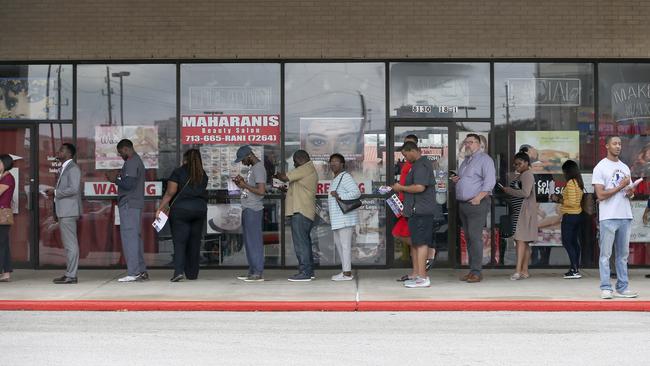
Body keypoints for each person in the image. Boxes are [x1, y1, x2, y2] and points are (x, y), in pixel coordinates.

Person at [592, 135, 638, 299]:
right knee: (605, 254)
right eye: (614, 143)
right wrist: (620, 186)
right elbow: (600, 194)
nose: (618, 146)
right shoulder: (600, 167)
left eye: (620, 144)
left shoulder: (625, 167)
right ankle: (606, 288)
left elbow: (627, 192)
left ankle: (623, 287)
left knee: (623, 255)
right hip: (608, 216)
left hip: (625, 215)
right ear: (606, 146)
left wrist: (631, 192)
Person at [391, 141, 439, 288]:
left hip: (422, 210)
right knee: (417, 242)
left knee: (422, 243)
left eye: (406, 155)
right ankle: (418, 275)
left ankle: (423, 278)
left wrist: (401, 187)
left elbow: (419, 187)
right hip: (414, 210)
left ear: (412, 150)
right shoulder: (416, 165)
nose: (405, 158)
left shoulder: (421, 165)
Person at [156, 149, 208, 282]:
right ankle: (192, 273)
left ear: (185, 159)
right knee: (195, 242)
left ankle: (179, 272)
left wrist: (161, 207)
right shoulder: (203, 174)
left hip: (181, 210)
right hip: (199, 210)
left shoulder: (178, 172)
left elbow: (170, 192)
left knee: (180, 242)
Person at [452, 133, 496, 283]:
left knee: (475, 238)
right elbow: (469, 181)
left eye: (471, 142)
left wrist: (478, 198)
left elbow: (490, 182)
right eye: (466, 142)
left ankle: (476, 272)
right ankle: (472, 270)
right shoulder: (465, 161)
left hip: (476, 204)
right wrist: (457, 179)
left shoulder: (485, 160)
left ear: (479, 144)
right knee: (469, 238)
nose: (468, 145)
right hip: (464, 204)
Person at [106, 139, 148, 283]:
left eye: (120, 152)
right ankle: (141, 271)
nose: (120, 155)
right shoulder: (136, 161)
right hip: (134, 204)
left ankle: (134, 272)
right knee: (135, 238)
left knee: (130, 238)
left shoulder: (131, 161)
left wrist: (114, 180)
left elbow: (129, 184)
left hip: (129, 203)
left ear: (125, 149)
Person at [275, 150, 318, 282]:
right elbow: (300, 189)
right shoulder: (307, 170)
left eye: (294, 162)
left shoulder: (305, 168)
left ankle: (304, 272)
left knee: (301, 244)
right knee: (304, 242)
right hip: (303, 211)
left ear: (299, 159)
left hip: (301, 211)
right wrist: (286, 190)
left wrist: (275, 173)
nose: (294, 164)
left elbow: (284, 177)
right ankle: (308, 271)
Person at [45, 143, 82, 284]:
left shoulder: (73, 168)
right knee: (68, 245)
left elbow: (73, 189)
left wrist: (55, 192)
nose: (58, 152)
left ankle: (71, 276)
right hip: (64, 211)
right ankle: (69, 273)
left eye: (61, 150)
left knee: (71, 244)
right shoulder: (64, 168)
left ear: (69, 153)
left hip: (68, 211)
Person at [232, 145, 267, 282]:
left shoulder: (258, 168)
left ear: (249, 156)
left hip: (254, 209)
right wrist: (242, 184)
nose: (242, 162)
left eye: (243, 159)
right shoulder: (253, 168)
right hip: (248, 207)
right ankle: (252, 270)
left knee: (254, 242)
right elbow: (252, 189)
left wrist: (245, 185)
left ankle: (257, 272)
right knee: (249, 242)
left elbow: (261, 191)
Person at [502, 152, 538, 280]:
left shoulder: (527, 175)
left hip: (523, 212)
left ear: (527, 163)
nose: (516, 166)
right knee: (524, 242)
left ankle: (518, 271)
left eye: (519, 163)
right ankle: (524, 271)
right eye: (515, 164)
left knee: (521, 241)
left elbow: (525, 193)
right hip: (521, 211)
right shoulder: (523, 175)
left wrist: (508, 190)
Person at [328, 153, 361, 281]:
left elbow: (356, 193)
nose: (333, 164)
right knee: (340, 246)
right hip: (337, 219)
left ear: (342, 164)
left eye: (336, 161)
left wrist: (340, 196)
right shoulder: (336, 178)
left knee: (345, 245)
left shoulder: (345, 177)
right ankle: (344, 271)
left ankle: (347, 273)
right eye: (331, 161)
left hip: (345, 218)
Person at [550, 160, 584, 279]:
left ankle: (574, 269)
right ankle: (575, 268)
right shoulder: (578, 182)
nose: (563, 173)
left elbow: (572, 202)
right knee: (574, 243)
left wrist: (558, 200)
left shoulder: (571, 183)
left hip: (570, 215)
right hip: (577, 215)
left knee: (567, 242)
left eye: (564, 171)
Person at [393, 134, 419, 282]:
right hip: (403, 202)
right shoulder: (407, 163)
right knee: (407, 237)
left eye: (410, 146)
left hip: (410, 205)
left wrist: (401, 188)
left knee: (408, 237)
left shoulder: (417, 164)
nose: (406, 150)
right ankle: (415, 272)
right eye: (405, 147)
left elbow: (418, 186)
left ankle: (428, 251)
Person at [0, 154, 16, 282]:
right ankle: (6, 273)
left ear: (5, 164)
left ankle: (4, 272)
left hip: (3, 214)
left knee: (1, 244)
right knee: (3, 244)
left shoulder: (8, 178)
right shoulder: (2, 177)